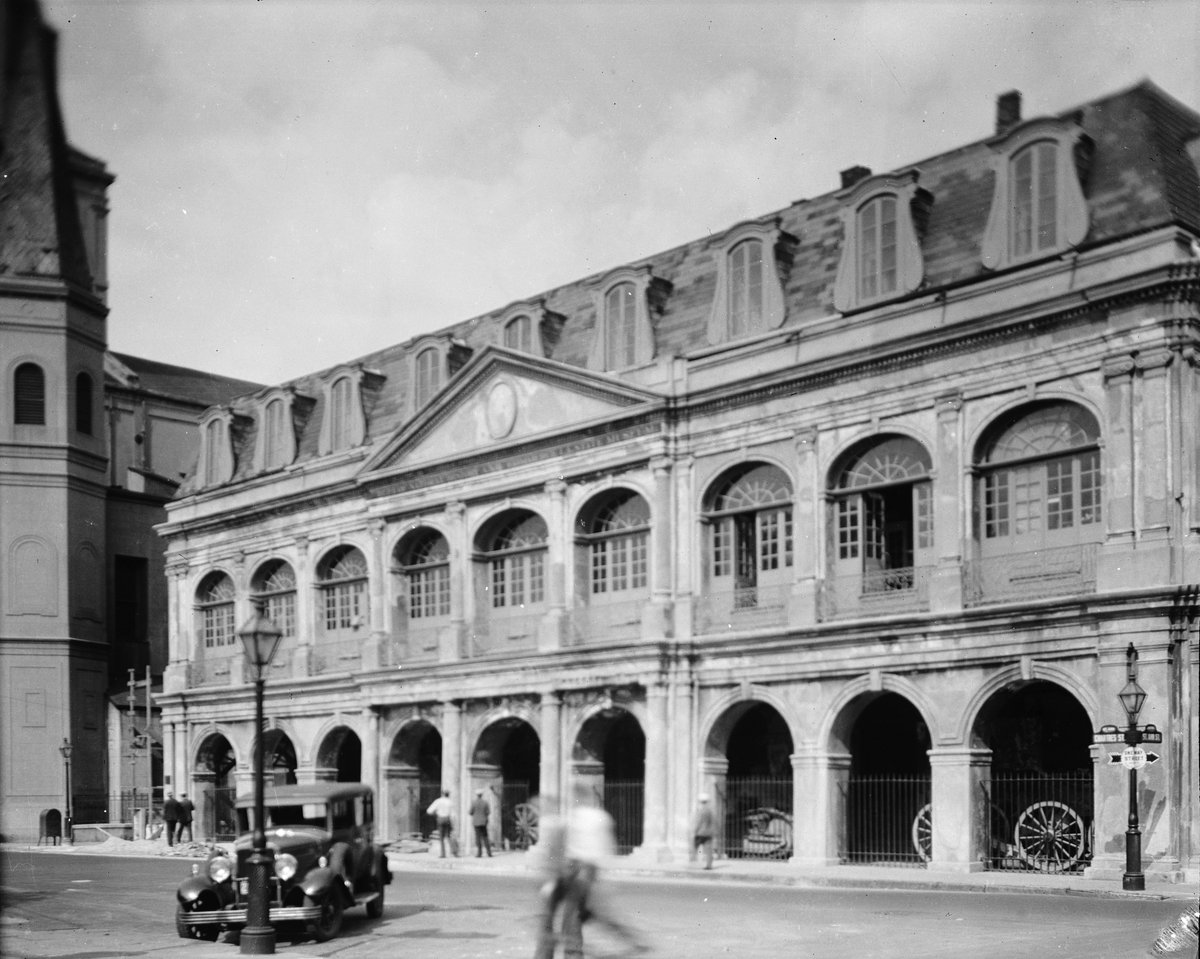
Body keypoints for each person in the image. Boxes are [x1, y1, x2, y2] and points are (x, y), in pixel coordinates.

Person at [533, 786, 647, 959]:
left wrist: (553, 879)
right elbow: (607, 847)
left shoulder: (575, 818)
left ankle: (563, 954)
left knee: (569, 917)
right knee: (577, 915)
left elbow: (562, 849)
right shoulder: (599, 817)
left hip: (577, 870)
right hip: (584, 871)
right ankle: (565, 952)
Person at [426, 789, 455, 858]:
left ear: (442, 794)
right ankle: (453, 852)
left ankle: (443, 854)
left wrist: (435, 814)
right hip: (447, 819)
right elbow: (453, 815)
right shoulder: (450, 802)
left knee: (441, 837)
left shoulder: (438, 801)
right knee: (449, 836)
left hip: (440, 819)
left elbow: (429, 811)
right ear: (448, 794)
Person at [690, 793, 714, 870]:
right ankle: (709, 865)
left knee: (695, 847)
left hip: (700, 833)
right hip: (708, 833)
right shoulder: (709, 811)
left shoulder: (701, 811)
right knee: (708, 850)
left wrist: (694, 831)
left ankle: (692, 862)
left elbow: (699, 822)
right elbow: (712, 821)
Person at [470, 788, 493, 857]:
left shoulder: (474, 802)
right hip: (484, 822)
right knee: (485, 837)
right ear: (482, 795)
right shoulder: (485, 802)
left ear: (477, 795)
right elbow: (488, 812)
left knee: (478, 837)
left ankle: (479, 853)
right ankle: (489, 852)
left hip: (476, 822)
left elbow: (470, 812)